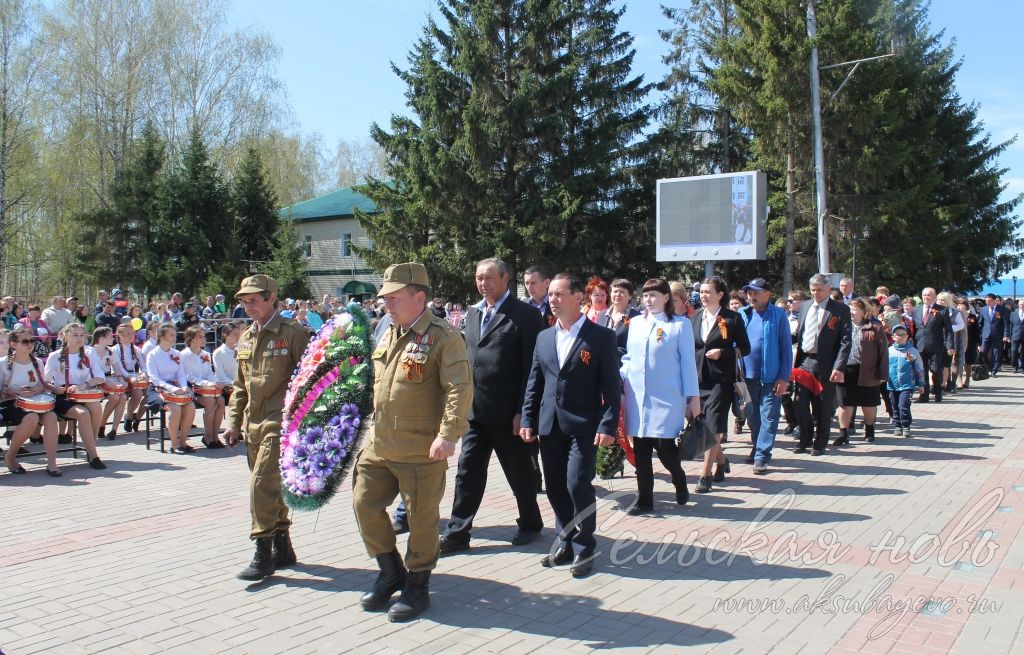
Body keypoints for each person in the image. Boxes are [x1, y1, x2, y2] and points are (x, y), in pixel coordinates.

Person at [352, 262, 471, 622]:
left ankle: (418, 584)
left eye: (394, 296)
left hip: (420, 448)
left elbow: (459, 389)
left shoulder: (444, 337)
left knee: (421, 521)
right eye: (384, 296)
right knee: (364, 504)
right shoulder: (387, 330)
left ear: (419, 297)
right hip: (380, 443)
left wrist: (448, 435)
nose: (386, 302)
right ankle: (390, 571)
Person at [439, 258, 544, 556]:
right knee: (467, 471)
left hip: (508, 412)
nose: (482, 283)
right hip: (475, 412)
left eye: (488, 277)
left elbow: (532, 368)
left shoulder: (525, 315)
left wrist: (524, 411)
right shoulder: (473, 313)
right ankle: (458, 532)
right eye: (478, 278)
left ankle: (531, 522)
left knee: (519, 472)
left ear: (505, 278)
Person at [521, 273, 620, 578]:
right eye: (550, 294)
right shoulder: (544, 337)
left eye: (559, 294)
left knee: (577, 483)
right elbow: (534, 383)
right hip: (550, 424)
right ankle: (564, 537)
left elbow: (612, 388)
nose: (553, 300)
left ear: (579, 297)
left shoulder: (600, 337)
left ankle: (586, 544)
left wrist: (608, 425)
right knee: (553, 486)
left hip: (584, 425)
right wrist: (527, 418)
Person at [223, 275, 310, 581]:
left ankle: (262, 551)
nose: (249, 306)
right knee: (272, 488)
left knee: (261, 484)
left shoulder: (293, 333)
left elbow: (312, 379)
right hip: (253, 424)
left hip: (281, 422)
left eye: (254, 300)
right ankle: (283, 546)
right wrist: (233, 422)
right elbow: (239, 386)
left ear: (272, 297)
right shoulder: (246, 337)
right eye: (244, 301)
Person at [620, 277, 699, 509]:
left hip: (667, 397)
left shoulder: (679, 325)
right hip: (638, 395)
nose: (649, 300)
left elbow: (687, 364)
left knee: (665, 449)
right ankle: (645, 499)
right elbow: (629, 356)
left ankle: (679, 479)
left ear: (666, 297)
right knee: (641, 450)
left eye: (654, 295)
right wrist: (621, 376)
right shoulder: (635, 323)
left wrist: (692, 398)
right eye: (645, 295)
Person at [691, 276, 749, 492]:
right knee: (702, 425)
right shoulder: (693, 319)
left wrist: (723, 353)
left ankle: (705, 474)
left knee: (714, 424)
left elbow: (745, 348)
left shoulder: (732, 318)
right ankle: (722, 462)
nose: (704, 296)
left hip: (720, 380)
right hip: (698, 379)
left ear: (720, 294)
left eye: (708, 292)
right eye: (702, 292)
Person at [737, 278, 793, 475]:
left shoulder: (778, 315)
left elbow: (786, 349)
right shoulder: (742, 314)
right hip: (746, 378)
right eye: (749, 292)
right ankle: (756, 447)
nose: (751, 296)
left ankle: (762, 456)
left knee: (769, 417)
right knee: (752, 417)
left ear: (768, 294)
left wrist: (783, 377)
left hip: (771, 378)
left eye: (756, 292)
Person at [793, 273, 852, 456]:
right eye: (812, 290)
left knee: (822, 405)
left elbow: (845, 341)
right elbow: (799, 334)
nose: (815, 293)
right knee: (799, 402)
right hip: (804, 362)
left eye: (819, 290)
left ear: (828, 289)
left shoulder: (840, 309)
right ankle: (805, 439)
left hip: (825, 363)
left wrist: (838, 367)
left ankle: (820, 442)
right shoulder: (805, 306)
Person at [44, 323, 107, 470]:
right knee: (83, 413)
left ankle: (91, 446)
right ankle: (93, 455)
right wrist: (55, 388)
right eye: (75, 335)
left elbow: (100, 377)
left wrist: (83, 385)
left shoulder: (89, 353)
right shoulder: (55, 356)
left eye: (82, 335)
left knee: (96, 407)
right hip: (63, 395)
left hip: (83, 392)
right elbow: (45, 381)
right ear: (65, 336)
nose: (80, 338)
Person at [2, 326, 62, 476]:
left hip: (35, 402)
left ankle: (52, 463)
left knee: (51, 416)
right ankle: (10, 456)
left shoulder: (37, 362)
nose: (29, 344)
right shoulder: (3, 363)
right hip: (11, 403)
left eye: (31, 341)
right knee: (31, 417)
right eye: (25, 341)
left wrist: (36, 390)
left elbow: (42, 385)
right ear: (13, 344)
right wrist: (15, 391)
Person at [833, 299, 888, 445]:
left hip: (868, 370)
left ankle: (869, 429)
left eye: (855, 309)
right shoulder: (842, 326)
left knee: (868, 403)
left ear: (864, 312)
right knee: (845, 403)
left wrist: (883, 374)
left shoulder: (875, 327)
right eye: (849, 309)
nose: (851, 312)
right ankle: (843, 433)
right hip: (846, 369)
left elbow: (883, 351)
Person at [146, 324, 197, 454]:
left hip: (176, 388)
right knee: (175, 409)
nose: (175, 337)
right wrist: (172, 389)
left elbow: (181, 374)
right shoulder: (152, 354)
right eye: (171, 335)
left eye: (175, 334)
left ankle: (183, 441)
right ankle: (174, 444)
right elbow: (154, 378)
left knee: (191, 407)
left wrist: (184, 386)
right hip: (158, 389)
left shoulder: (176, 353)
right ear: (162, 337)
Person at [180, 325, 226, 449]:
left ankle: (215, 436)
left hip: (206, 388)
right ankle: (208, 436)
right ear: (191, 339)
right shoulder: (184, 355)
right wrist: (208, 384)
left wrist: (215, 381)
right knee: (211, 402)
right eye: (200, 337)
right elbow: (189, 377)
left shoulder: (205, 353)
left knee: (221, 401)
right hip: (192, 390)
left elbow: (209, 373)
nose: (203, 339)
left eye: (204, 336)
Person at [912, 287, 954, 401]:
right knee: (922, 371)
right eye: (924, 295)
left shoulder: (942, 310)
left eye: (929, 295)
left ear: (934, 297)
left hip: (936, 345)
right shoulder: (916, 310)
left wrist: (950, 346)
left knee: (936, 370)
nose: (926, 297)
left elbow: (949, 330)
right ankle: (924, 395)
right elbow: (913, 329)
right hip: (920, 345)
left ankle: (938, 391)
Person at [90, 327, 127, 441]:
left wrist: (121, 381)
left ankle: (114, 429)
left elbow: (116, 369)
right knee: (115, 397)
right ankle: (102, 424)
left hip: (107, 379)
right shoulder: (90, 351)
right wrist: (105, 380)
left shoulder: (111, 351)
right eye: (110, 336)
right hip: (94, 380)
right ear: (102, 339)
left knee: (123, 396)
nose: (114, 337)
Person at [887, 325, 925, 437]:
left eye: (903, 335)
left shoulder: (912, 351)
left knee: (903, 405)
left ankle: (906, 425)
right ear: (893, 337)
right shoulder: (889, 351)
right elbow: (883, 367)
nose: (900, 337)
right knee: (894, 405)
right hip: (892, 385)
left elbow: (919, 368)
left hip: (907, 384)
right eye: (898, 334)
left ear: (907, 337)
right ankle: (897, 425)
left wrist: (921, 383)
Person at [113, 323, 147, 433]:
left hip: (133, 376)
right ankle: (128, 417)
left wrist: (144, 373)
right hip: (119, 377)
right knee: (138, 393)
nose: (131, 335)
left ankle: (131, 416)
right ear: (120, 335)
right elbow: (118, 367)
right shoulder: (115, 349)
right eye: (127, 333)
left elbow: (143, 365)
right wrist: (129, 377)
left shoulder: (136, 349)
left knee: (148, 392)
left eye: (132, 333)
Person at [977, 293, 1011, 377]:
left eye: (989, 301)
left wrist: (1006, 335)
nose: (988, 303)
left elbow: (1006, 323)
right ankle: (988, 367)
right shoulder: (983, 309)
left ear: (994, 300)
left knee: (997, 352)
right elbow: (980, 323)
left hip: (998, 334)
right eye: (986, 301)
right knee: (984, 352)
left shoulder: (1002, 310)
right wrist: (979, 335)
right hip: (986, 334)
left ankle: (994, 370)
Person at [602, 278, 640, 351]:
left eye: (622, 292)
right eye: (615, 291)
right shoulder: (602, 314)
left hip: (622, 360)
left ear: (630, 296)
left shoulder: (636, 317)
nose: (618, 294)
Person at [958, 298, 981, 389]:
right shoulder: (956, 316)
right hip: (959, 341)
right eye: (958, 304)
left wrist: (978, 344)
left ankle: (967, 379)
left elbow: (977, 331)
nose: (959, 306)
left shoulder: (972, 317)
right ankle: (959, 380)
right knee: (958, 362)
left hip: (971, 342)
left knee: (968, 362)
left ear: (966, 306)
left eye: (961, 304)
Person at [1010, 298, 1024, 373]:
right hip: (1015, 335)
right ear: (1018, 305)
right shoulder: (1013, 313)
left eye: (1023, 304)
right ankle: (1014, 366)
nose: (1022, 306)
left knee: (1023, 352)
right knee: (1014, 351)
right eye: (1020, 304)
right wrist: (1008, 336)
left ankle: (1022, 367)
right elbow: (1010, 325)